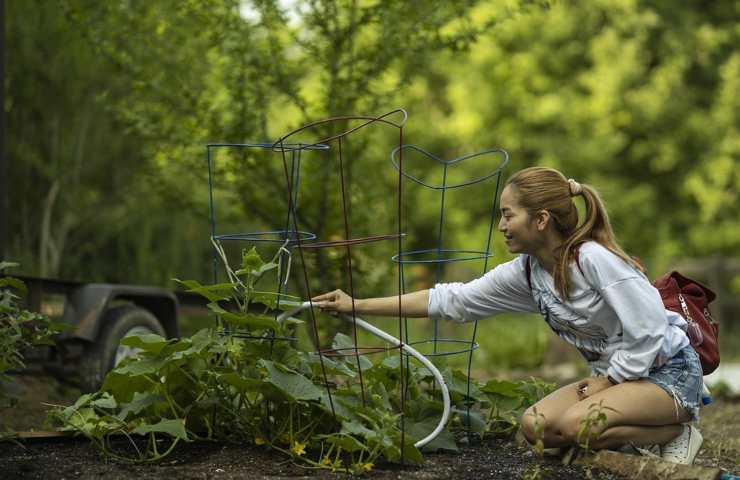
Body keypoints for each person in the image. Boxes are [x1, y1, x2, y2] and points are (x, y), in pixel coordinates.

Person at [312, 166, 704, 465]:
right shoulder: (529, 272)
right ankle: (621, 437)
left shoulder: (594, 260)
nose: (501, 226)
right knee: (535, 428)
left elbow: (650, 330)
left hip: (667, 372)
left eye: (508, 215)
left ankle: (675, 430)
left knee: (573, 426)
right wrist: (356, 305)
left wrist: (608, 382)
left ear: (541, 220)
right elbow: (454, 300)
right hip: (613, 379)